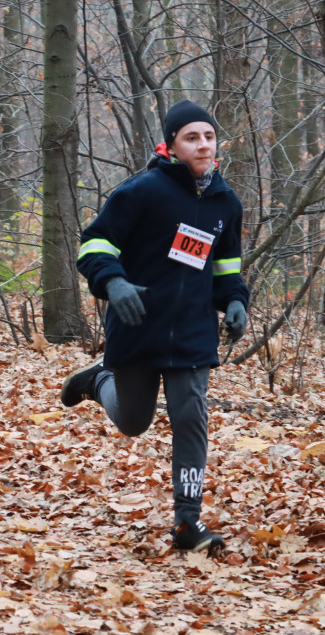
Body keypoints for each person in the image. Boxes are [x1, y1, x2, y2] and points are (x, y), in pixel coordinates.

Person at [61, 100, 250, 554]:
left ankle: (188, 522)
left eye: (208, 136)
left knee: (190, 417)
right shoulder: (142, 191)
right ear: (171, 145)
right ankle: (99, 379)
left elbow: (225, 266)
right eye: (192, 137)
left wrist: (236, 301)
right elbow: (93, 245)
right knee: (133, 422)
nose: (203, 145)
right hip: (137, 324)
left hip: (192, 333)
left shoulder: (226, 202)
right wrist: (115, 282)